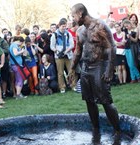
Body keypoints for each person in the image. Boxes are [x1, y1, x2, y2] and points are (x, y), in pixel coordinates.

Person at [71, 4, 121, 136]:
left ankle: (117, 130)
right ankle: (96, 129)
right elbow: (78, 51)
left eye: (74, 16)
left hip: (99, 66)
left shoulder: (100, 25)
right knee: (89, 100)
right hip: (85, 69)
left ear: (81, 13)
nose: (73, 19)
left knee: (106, 101)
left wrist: (109, 69)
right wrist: (72, 68)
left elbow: (111, 47)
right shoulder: (80, 31)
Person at [50, 18, 75, 93]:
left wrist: (66, 51)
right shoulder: (55, 35)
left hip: (68, 55)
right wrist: (57, 51)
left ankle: (73, 85)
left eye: (65, 26)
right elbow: (52, 46)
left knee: (71, 71)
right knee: (60, 72)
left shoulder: (68, 33)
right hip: (59, 56)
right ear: (59, 26)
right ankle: (62, 87)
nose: (64, 28)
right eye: (63, 26)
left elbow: (72, 45)